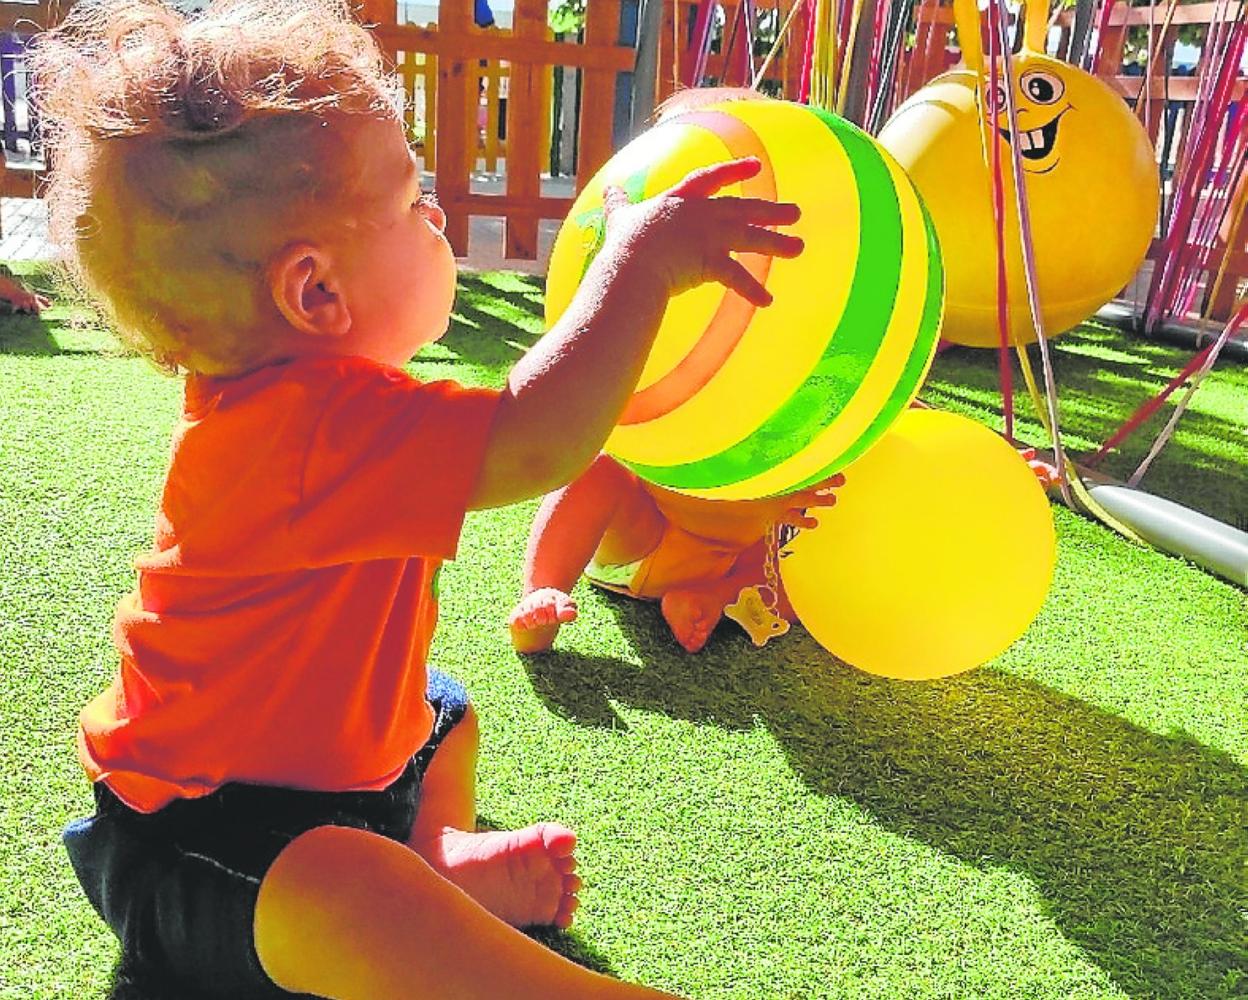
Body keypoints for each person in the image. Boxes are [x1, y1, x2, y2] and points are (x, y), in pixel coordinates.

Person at [35, 3, 801, 999]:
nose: (436, 215)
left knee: (439, 705)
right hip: (200, 840)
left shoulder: (314, 404)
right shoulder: (310, 429)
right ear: (314, 294)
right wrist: (642, 265)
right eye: (411, 200)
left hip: (345, 783)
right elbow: (543, 434)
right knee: (345, 885)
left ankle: (435, 855)